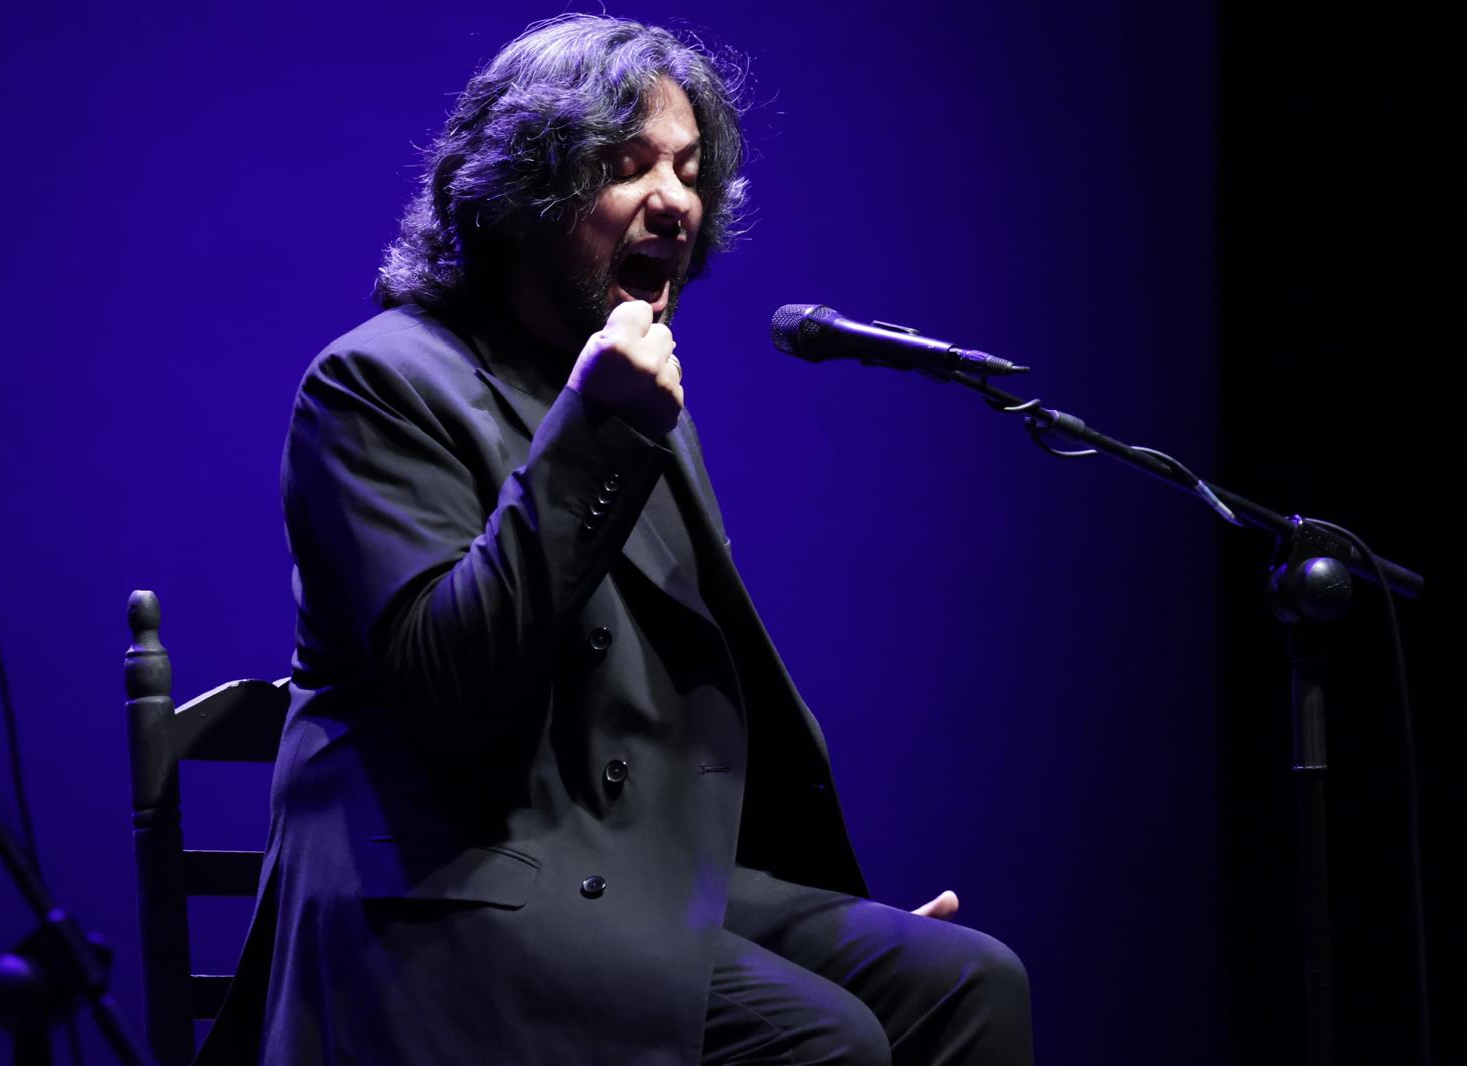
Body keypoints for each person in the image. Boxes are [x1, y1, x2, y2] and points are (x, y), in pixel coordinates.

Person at [200, 15, 1033, 1065]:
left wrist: (833, 922)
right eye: (627, 164)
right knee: (826, 1042)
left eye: (688, 169)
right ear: (523, 192)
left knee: (966, 981)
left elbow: (693, 709)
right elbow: (452, 689)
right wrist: (594, 431)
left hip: (628, 879)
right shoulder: (377, 384)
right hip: (456, 895)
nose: (676, 199)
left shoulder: (634, 399)